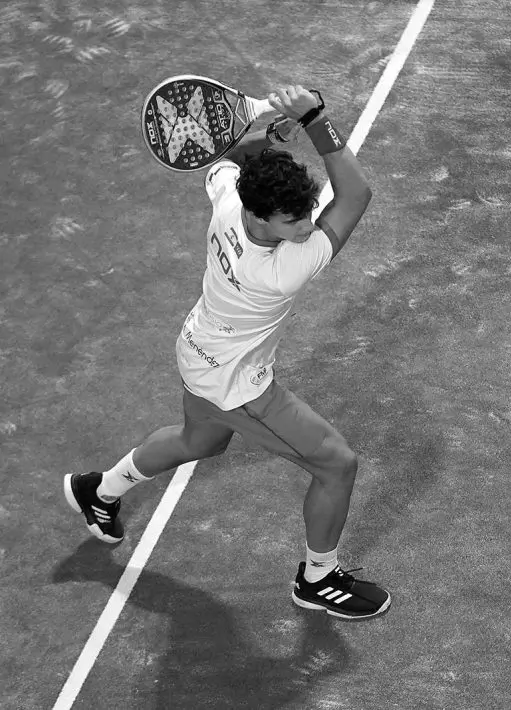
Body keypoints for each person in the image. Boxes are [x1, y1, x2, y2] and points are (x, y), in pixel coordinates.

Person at [64, 85, 390, 620]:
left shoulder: (228, 198)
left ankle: (97, 489)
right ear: (261, 218)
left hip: (197, 348)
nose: (307, 226)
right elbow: (355, 195)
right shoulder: (281, 271)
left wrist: (270, 132)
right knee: (336, 465)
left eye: (307, 213)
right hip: (238, 384)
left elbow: (231, 159)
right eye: (294, 221)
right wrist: (313, 119)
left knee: (202, 440)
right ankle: (318, 578)